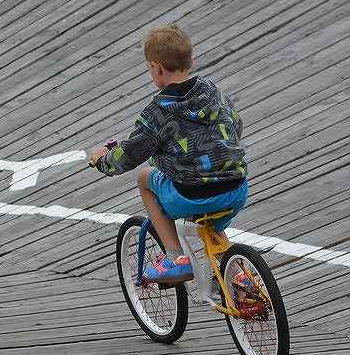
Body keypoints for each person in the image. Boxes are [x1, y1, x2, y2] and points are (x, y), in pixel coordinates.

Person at [89, 25, 248, 284]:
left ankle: (176, 257)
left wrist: (102, 160)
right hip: (236, 189)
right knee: (212, 217)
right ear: (191, 61)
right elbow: (235, 124)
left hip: (189, 195)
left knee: (144, 179)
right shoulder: (214, 92)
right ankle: (238, 279)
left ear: (156, 68)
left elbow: (130, 154)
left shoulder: (158, 111)